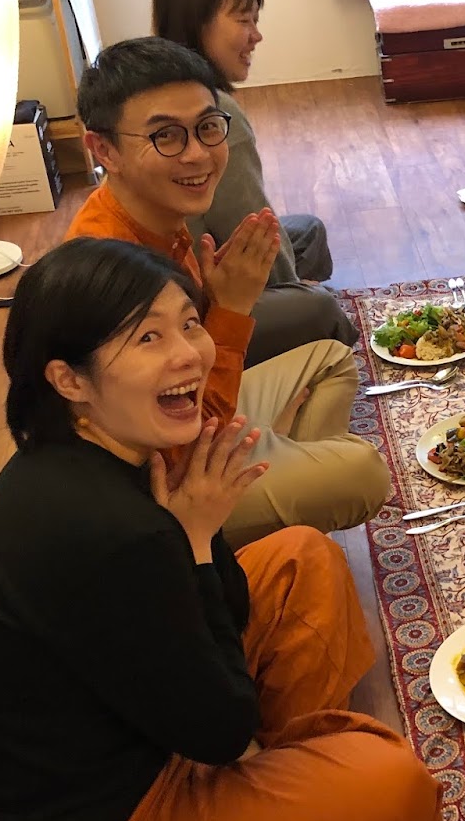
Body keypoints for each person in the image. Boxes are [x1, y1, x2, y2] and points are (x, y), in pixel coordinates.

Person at [0, 238, 439, 821]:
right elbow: (223, 730)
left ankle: (289, 811)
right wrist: (196, 539)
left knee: (302, 559)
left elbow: (216, 620)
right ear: (69, 379)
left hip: (133, 751)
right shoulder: (110, 532)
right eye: (148, 338)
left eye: (189, 323)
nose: (191, 355)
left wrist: (197, 539)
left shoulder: (88, 454)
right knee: (390, 784)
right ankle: (301, 820)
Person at [66, 36, 389, 546]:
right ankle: (227, 545)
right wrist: (232, 309)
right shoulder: (111, 270)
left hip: (193, 419)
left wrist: (218, 305)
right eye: (166, 136)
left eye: (207, 127)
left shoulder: (157, 215)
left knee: (328, 359)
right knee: (364, 471)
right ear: (104, 150)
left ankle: (282, 518)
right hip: (164, 488)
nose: (198, 154)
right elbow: (185, 429)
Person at [153, 0, 356, 366]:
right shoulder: (213, 115)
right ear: (197, 22)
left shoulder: (160, 90)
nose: (256, 36)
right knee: (321, 308)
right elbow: (253, 231)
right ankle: (302, 352)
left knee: (307, 232)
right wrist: (297, 297)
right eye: (244, 20)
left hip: (183, 272)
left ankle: (293, 316)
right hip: (190, 310)